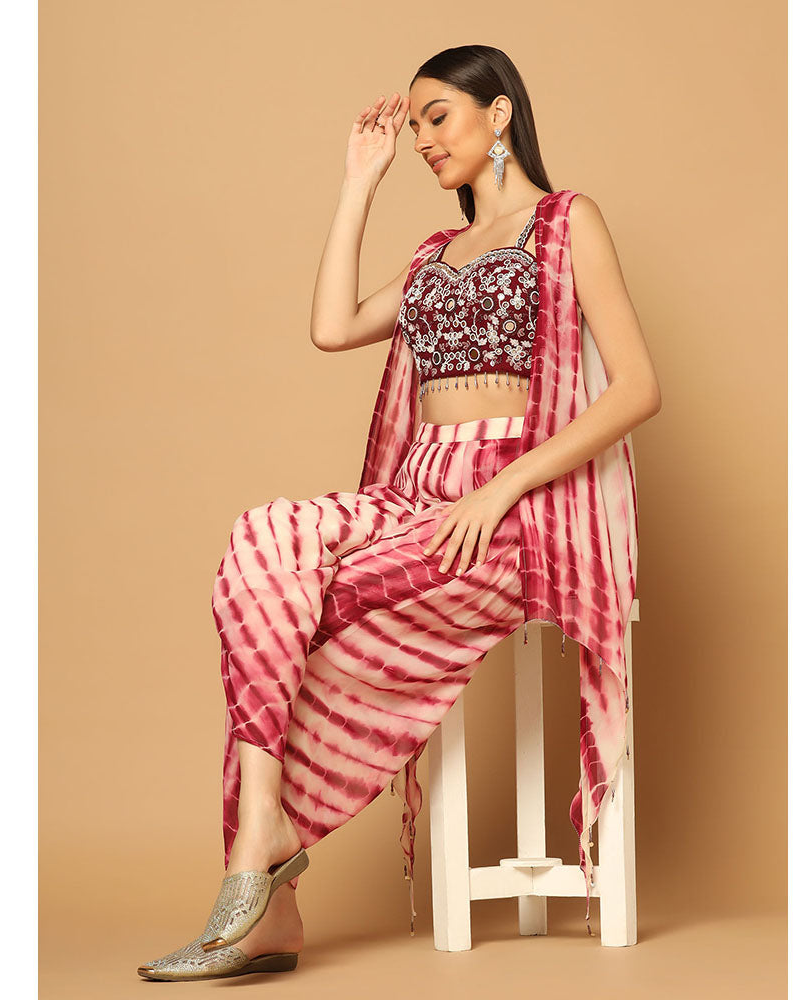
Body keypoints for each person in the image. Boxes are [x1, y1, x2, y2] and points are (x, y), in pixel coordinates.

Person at [137, 43, 661, 982]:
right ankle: (263, 839)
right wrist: (359, 181)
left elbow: (637, 389)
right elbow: (331, 326)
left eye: (437, 117)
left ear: (499, 114)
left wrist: (502, 488)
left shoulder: (566, 221)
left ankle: (265, 889)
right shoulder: (432, 254)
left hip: (512, 506)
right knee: (263, 544)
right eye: (413, 124)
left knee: (318, 615)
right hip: (415, 494)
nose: (421, 138)